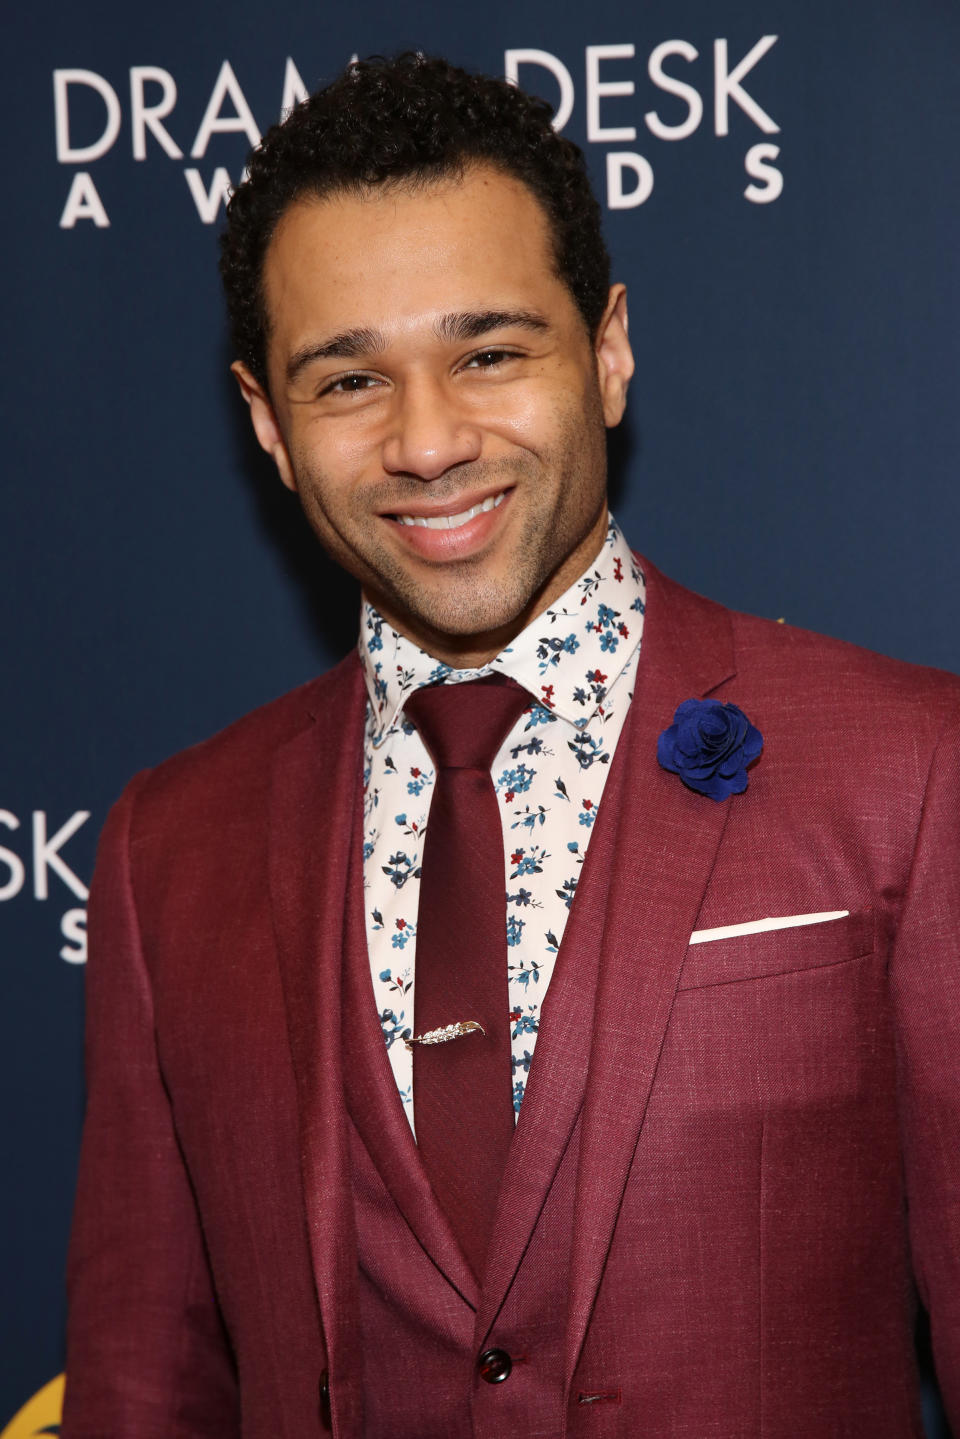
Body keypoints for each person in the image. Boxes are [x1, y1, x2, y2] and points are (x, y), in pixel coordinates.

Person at [62, 53, 960, 1439]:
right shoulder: (163, 850)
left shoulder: (912, 771)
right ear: (268, 425)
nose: (429, 443)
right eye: (350, 379)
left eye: (489, 353)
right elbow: (141, 1385)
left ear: (606, 349)